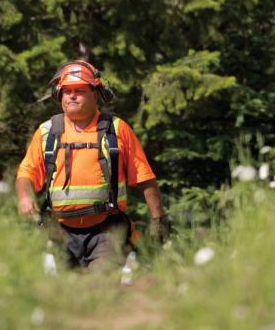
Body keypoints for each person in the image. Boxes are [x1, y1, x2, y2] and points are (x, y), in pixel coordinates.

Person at [15, 60, 171, 271]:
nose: (71, 95)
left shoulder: (116, 130)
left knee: (100, 285)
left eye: (79, 90)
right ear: (59, 95)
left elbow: (144, 178)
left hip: (108, 231)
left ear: (95, 94)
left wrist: (158, 218)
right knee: (67, 294)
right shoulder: (47, 132)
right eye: (67, 91)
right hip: (60, 232)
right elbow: (26, 173)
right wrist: (24, 196)